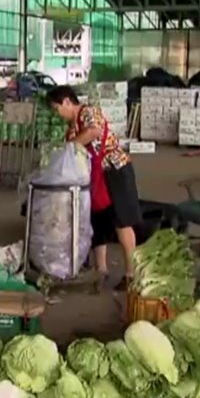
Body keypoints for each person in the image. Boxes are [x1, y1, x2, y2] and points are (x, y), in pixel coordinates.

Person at [46, 86, 142, 289]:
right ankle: (101, 271)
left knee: (121, 221)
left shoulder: (89, 112)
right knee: (97, 222)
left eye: (56, 108)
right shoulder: (71, 126)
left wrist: (70, 147)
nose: (57, 114)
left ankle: (131, 274)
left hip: (115, 171)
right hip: (93, 178)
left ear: (66, 102)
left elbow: (94, 131)